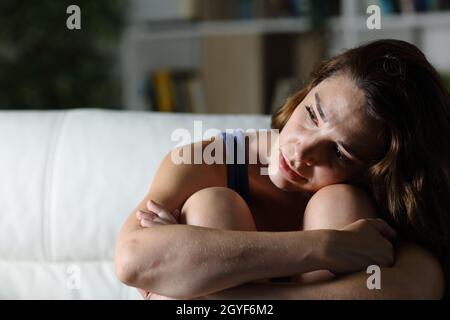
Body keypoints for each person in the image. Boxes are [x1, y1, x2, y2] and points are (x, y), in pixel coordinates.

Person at [115, 39, 449, 299]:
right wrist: (328, 247)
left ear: (375, 171)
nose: (301, 150)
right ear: (307, 90)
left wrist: (213, 296)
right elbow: (132, 260)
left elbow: (415, 288)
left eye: (339, 152)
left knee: (340, 202)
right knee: (214, 203)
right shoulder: (206, 160)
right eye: (313, 115)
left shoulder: (374, 199)